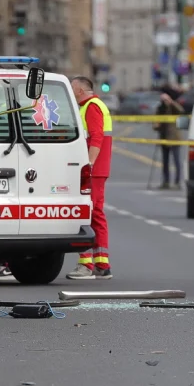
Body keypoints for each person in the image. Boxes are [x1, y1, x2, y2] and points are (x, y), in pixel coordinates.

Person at [69, 76, 113, 280]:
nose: (70, 90)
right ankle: (102, 263)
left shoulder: (92, 106)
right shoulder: (90, 106)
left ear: (79, 90)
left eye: (72, 87)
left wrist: (89, 164)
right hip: (96, 170)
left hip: (92, 170)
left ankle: (86, 264)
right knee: (95, 214)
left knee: (86, 214)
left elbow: (96, 137)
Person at [156, 85, 185, 189]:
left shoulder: (174, 106)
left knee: (176, 160)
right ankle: (166, 181)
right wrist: (157, 125)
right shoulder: (160, 107)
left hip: (174, 137)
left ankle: (177, 181)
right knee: (165, 161)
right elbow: (156, 120)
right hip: (163, 137)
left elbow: (181, 111)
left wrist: (171, 102)